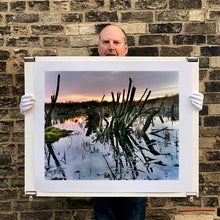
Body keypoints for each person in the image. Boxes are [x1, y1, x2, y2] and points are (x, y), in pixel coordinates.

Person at [20, 25, 204, 220]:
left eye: (116, 42)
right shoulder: (83, 71)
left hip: (137, 182)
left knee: (134, 214)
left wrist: (189, 108)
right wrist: (34, 112)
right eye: (105, 42)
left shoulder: (140, 70)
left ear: (126, 48)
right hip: (100, 186)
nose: (111, 47)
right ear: (98, 47)